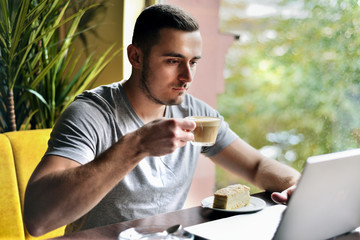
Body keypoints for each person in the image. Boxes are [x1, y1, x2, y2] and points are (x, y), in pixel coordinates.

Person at [24, 4, 300, 237]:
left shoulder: (195, 114)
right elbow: (37, 220)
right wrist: (138, 145)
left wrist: (295, 184)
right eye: (173, 61)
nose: (187, 77)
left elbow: (257, 165)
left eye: (193, 62)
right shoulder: (92, 114)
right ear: (136, 57)